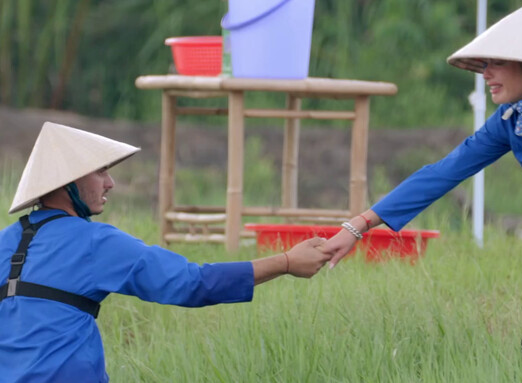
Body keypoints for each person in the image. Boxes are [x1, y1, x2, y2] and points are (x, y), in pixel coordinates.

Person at [321, 3, 522, 353]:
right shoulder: (511, 121)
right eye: (483, 64)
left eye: (496, 62)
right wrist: (356, 227)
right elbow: (443, 173)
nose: (485, 73)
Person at [0, 122, 331, 382]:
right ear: (66, 183)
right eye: (101, 171)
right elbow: (194, 283)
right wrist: (286, 261)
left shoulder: (5, 241)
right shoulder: (96, 242)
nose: (110, 183)